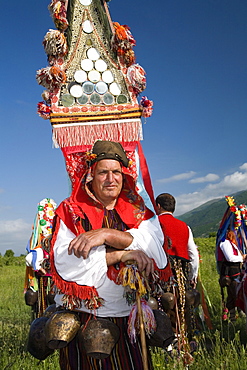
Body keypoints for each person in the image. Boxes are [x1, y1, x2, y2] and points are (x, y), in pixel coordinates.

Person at [50, 140, 167, 370]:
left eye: (116, 172)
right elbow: (66, 262)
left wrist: (106, 234)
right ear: (91, 176)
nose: (110, 178)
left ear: (124, 175)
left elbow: (155, 250)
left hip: (129, 318)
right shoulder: (71, 211)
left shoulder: (138, 210)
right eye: (103, 172)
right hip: (86, 317)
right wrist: (120, 255)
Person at [155, 193, 199, 284]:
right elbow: (193, 254)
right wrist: (192, 276)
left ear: (158, 206)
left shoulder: (153, 224)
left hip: (158, 275)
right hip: (180, 275)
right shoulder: (185, 227)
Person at [218, 229, 246, 321]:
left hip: (236, 273)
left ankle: (234, 317)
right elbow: (230, 258)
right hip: (230, 274)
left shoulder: (232, 244)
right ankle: (233, 317)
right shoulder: (224, 243)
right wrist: (242, 258)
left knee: (234, 294)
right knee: (234, 295)